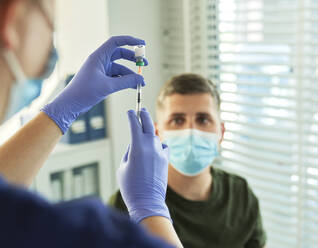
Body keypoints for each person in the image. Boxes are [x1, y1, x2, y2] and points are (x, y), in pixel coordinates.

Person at [0, 0, 182, 247]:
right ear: (14, 19)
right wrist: (149, 207)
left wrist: (61, 111)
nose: (51, 48)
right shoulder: (84, 233)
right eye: (51, 27)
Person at [109, 73, 267, 248]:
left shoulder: (241, 195)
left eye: (203, 119)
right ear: (157, 133)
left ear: (221, 132)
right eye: (177, 120)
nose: (191, 131)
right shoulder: (130, 204)